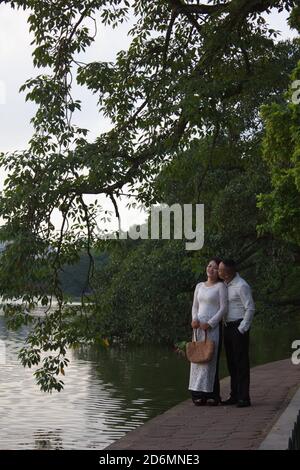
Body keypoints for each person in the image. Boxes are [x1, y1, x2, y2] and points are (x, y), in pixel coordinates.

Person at [188, 258, 227, 406]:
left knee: (210, 360)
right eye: (209, 266)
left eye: (215, 268)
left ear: (219, 272)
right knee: (197, 359)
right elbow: (195, 306)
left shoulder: (220, 287)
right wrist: (194, 319)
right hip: (197, 327)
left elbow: (223, 308)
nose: (211, 269)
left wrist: (210, 324)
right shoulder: (199, 286)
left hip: (212, 328)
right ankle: (197, 394)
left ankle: (212, 394)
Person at [218, 259, 255, 408]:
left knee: (241, 363)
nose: (218, 272)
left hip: (238, 327)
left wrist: (242, 328)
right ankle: (234, 395)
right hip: (227, 327)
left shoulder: (241, 285)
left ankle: (244, 397)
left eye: (220, 270)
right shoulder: (224, 285)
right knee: (231, 363)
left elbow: (250, 308)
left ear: (228, 272)